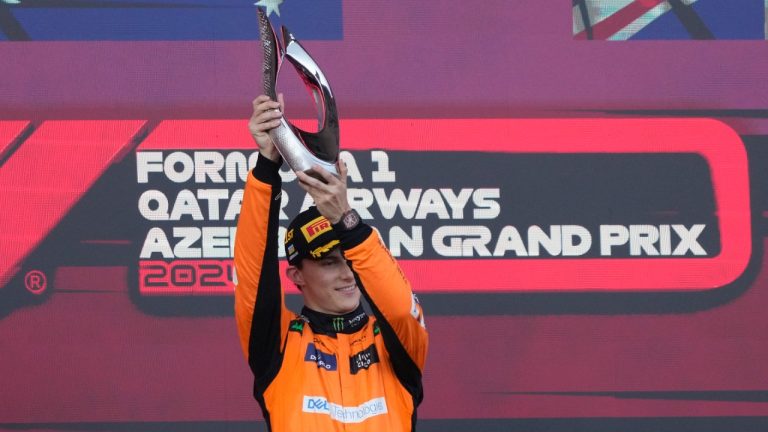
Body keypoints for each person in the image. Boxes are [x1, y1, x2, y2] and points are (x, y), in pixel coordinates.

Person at [234, 94, 428, 431]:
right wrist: (267, 166)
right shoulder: (279, 345)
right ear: (296, 274)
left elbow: (399, 309)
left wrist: (346, 220)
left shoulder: (393, 343)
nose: (347, 274)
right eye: (328, 262)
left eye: (349, 259)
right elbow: (254, 276)